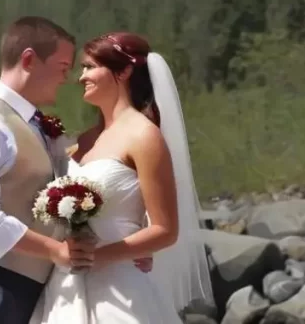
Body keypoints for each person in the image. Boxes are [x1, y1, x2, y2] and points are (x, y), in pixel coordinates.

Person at [0, 17, 153, 324]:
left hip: (24, 285)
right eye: (63, 66)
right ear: (29, 60)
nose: (67, 78)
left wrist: (122, 242)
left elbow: (64, 195)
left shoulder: (31, 123)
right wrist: (54, 250)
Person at [30, 31, 214, 324]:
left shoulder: (144, 136)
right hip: (64, 285)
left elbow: (166, 229)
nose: (81, 77)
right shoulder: (86, 138)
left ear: (124, 71)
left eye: (90, 66)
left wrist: (96, 257)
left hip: (118, 289)